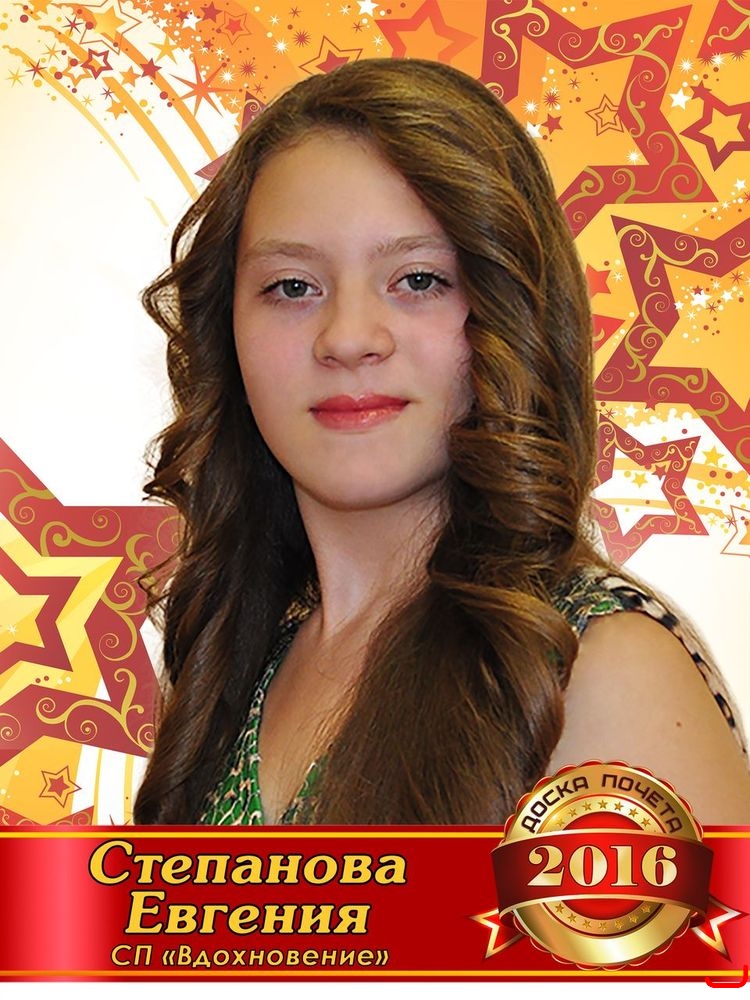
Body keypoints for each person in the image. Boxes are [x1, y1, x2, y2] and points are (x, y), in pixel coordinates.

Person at [133, 58, 750, 827]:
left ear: (511, 313)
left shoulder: (592, 669)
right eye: (292, 286)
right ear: (227, 331)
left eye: (419, 279)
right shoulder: (235, 668)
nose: (348, 337)